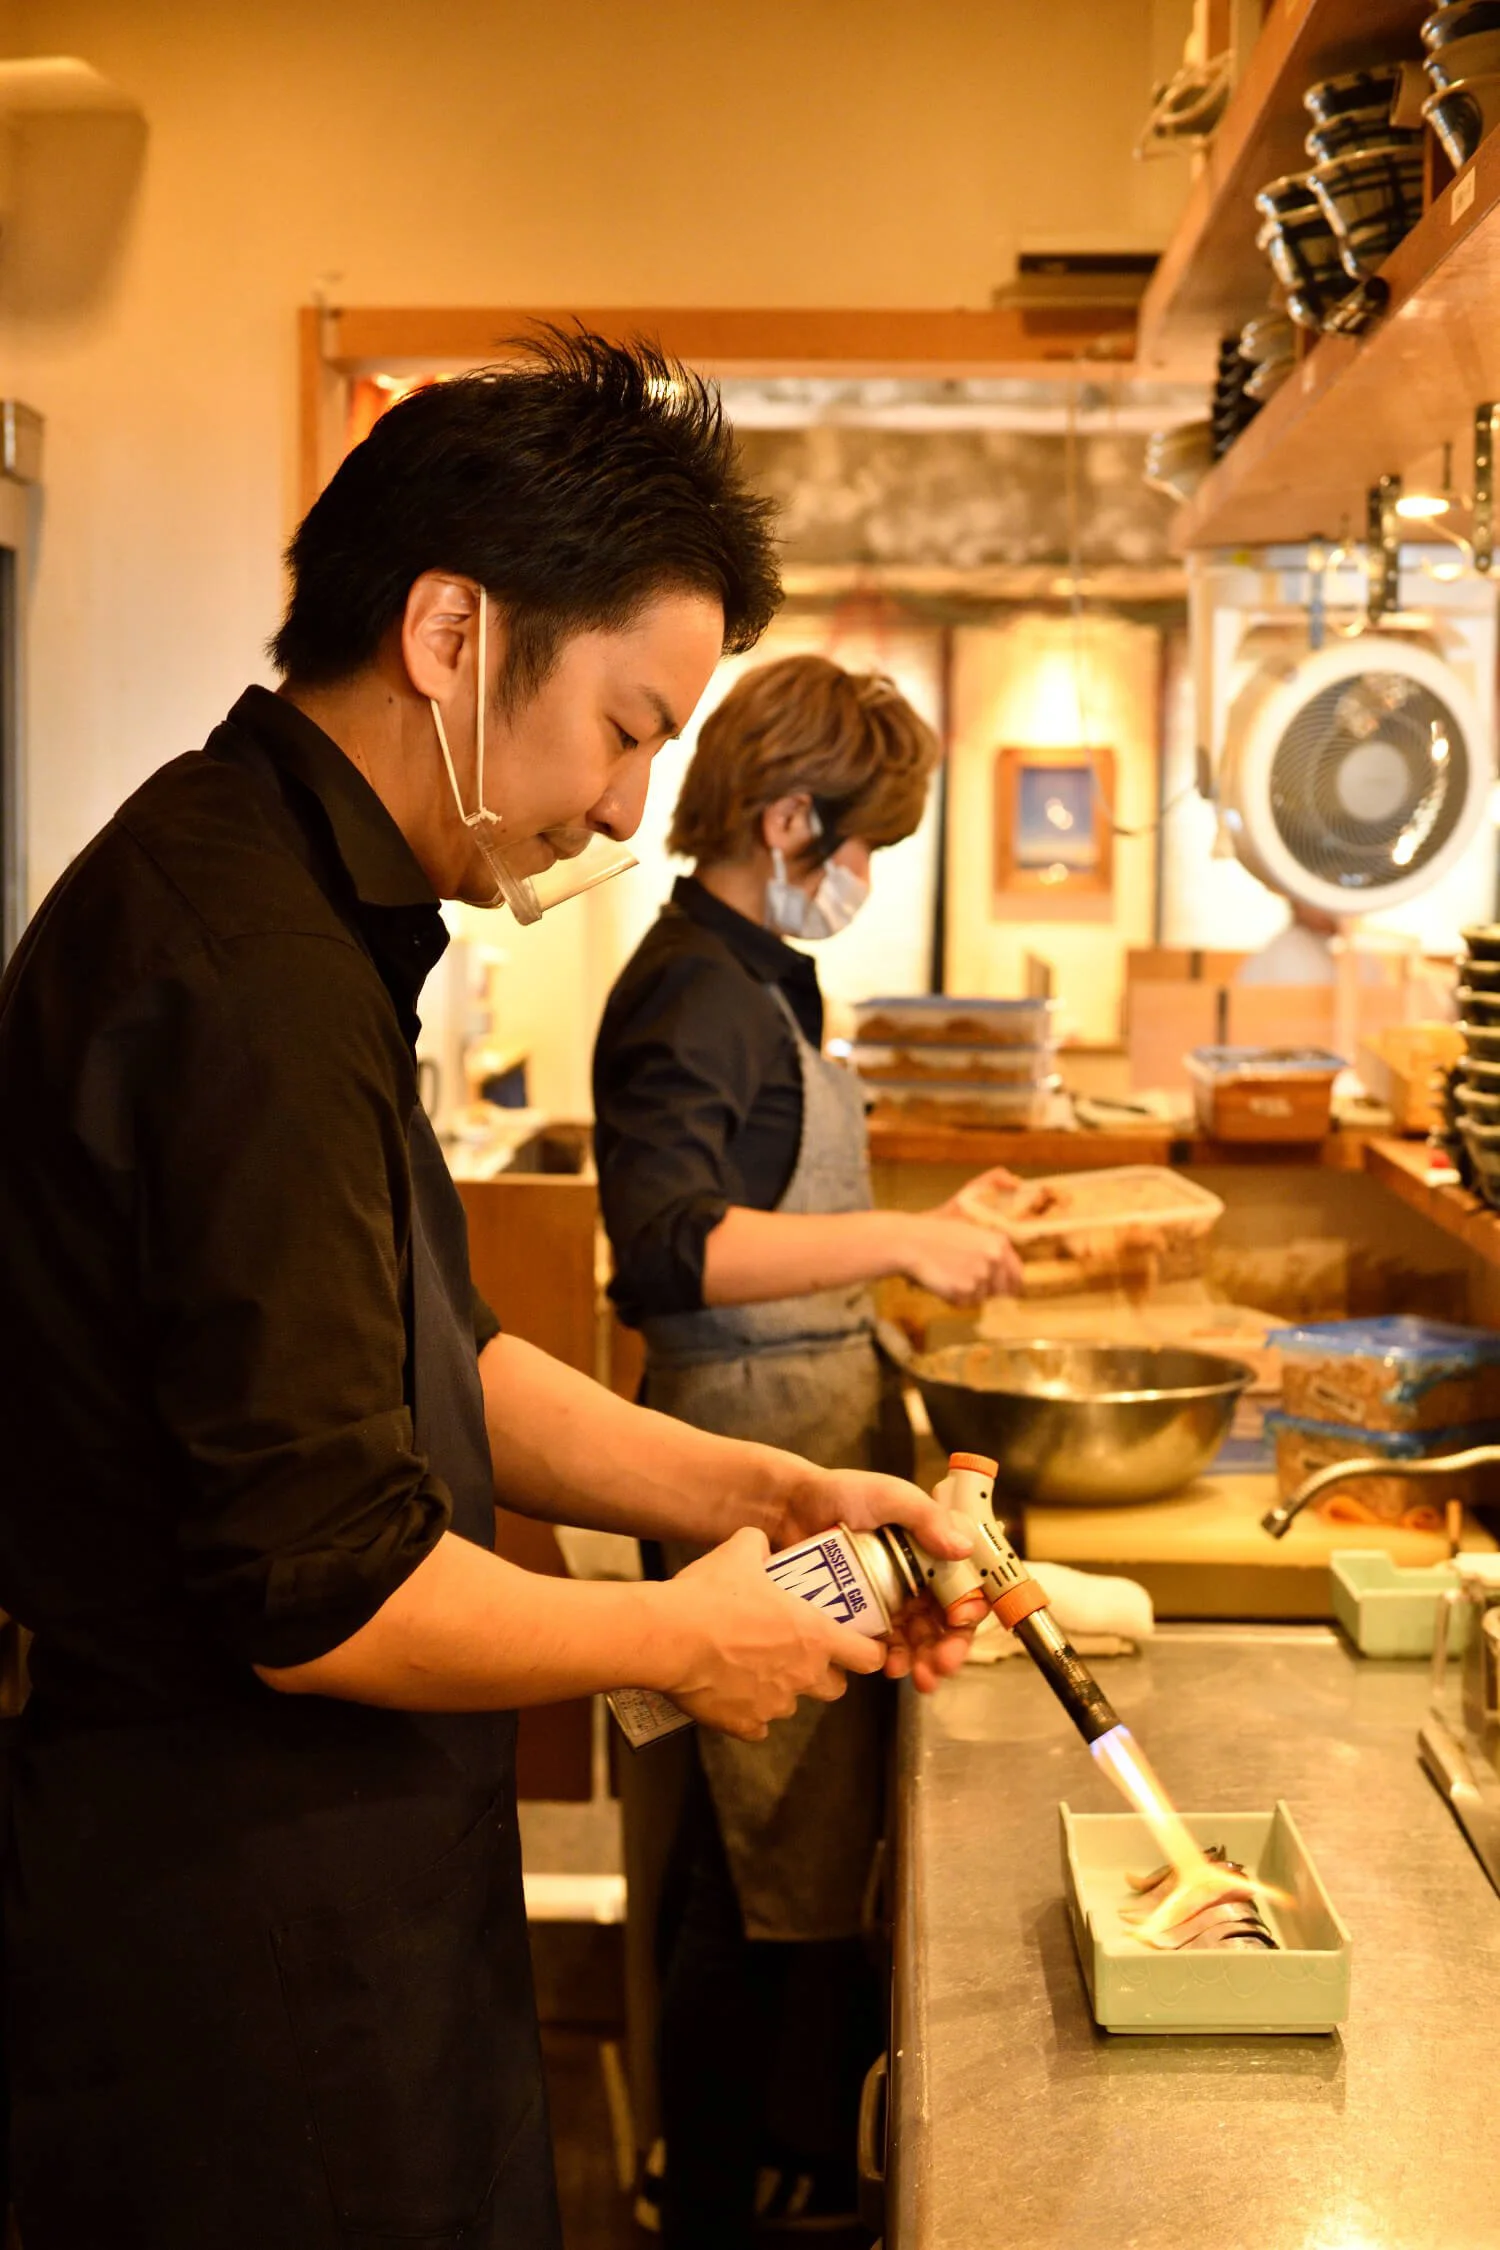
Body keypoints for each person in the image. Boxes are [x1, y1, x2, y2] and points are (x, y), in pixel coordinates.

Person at [0, 337, 980, 2250]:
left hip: (331, 1884)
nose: (623, 809)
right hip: (236, 1930)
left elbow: (440, 1361)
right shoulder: (247, 965)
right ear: (452, 631)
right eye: (623, 726)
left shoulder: (297, 903)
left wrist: (758, 1502)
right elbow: (324, 1580)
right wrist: (681, 1642)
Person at [593, 653, 1020, 2246]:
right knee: (743, 1862)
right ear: (788, 819)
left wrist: (924, 1226)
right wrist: (898, 1233)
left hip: (800, 1432)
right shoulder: (694, 989)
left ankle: (750, 2165)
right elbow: (671, 1251)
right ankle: (714, 2191)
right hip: (734, 1448)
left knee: (772, 1851)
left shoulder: (767, 969)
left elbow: (776, 1206)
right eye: (862, 848)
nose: (864, 880)